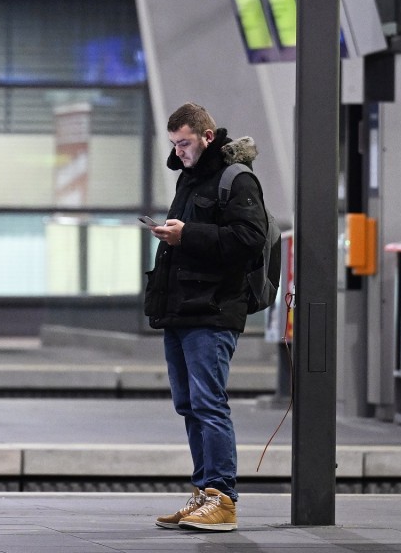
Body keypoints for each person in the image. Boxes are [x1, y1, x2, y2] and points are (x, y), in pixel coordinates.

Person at [144, 102, 267, 532]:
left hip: (214, 311)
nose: (178, 152)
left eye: (185, 143)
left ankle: (222, 497)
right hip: (181, 310)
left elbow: (251, 238)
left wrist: (186, 234)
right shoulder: (189, 178)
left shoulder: (237, 179)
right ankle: (203, 494)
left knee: (209, 404)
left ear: (207, 137)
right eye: (174, 145)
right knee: (189, 405)